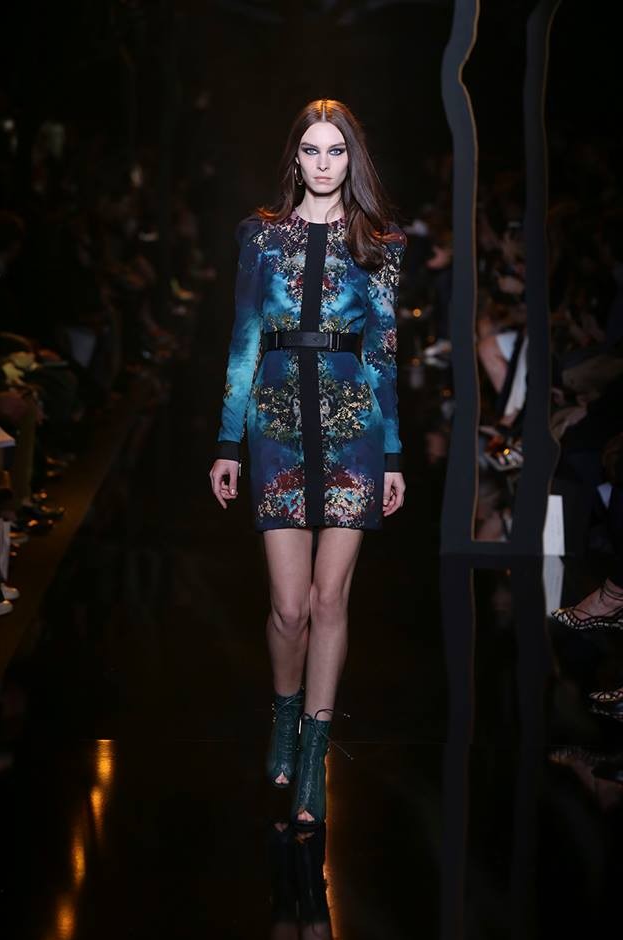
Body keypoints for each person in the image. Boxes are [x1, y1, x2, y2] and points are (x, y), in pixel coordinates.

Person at [209, 99, 406, 828]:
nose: (324, 163)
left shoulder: (380, 245)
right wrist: (227, 443)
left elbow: (385, 354)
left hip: (355, 431)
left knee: (329, 601)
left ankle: (315, 755)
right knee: (288, 608)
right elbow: (243, 343)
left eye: (337, 151)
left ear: (353, 159)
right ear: (294, 157)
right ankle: (284, 715)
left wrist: (393, 455)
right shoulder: (261, 237)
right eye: (312, 150)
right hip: (277, 427)